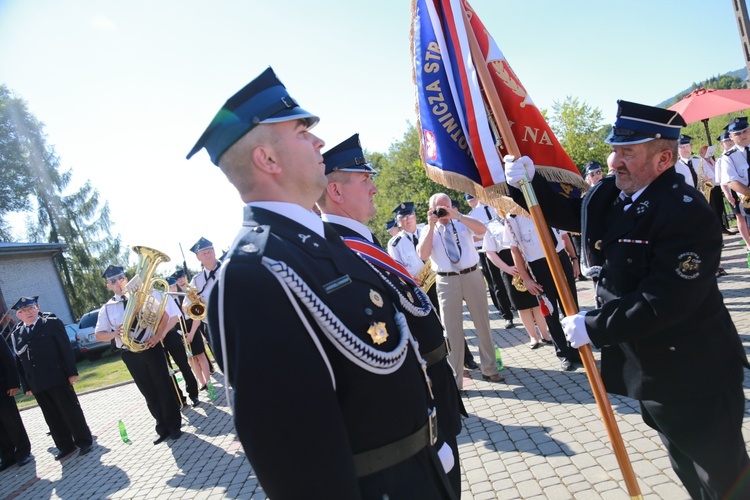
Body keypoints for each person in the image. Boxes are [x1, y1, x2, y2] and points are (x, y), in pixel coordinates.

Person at [187, 67, 454, 498]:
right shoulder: (251, 274)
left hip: (419, 473)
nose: (319, 142)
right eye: (301, 131)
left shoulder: (322, 240)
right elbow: (295, 460)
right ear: (268, 160)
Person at [505, 99, 750, 499]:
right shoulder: (619, 194)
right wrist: (527, 184)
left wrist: (593, 327)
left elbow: (666, 299)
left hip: (695, 374)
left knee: (724, 481)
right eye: (616, 149)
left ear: (664, 158)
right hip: (654, 372)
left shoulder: (685, 212)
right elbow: (573, 213)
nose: (615, 160)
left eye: (628, 152)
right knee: (689, 472)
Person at [317, 134, 465, 496]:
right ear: (336, 191)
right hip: (421, 413)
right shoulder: (344, 254)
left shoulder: (360, 244)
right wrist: (429, 429)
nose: (375, 188)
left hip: (435, 397)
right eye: (365, 180)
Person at [417, 192, 504, 387]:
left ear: (451, 206)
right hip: (446, 281)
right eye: (438, 208)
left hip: (472, 275)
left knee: (483, 324)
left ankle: (490, 369)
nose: (442, 212)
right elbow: (423, 254)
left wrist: (456, 216)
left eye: (445, 207)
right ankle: (456, 380)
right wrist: (432, 225)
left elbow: (482, 231)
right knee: (451, 331)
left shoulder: (462, 221)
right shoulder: (427, 229)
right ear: (431, 210)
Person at [94, 265, 183, 445]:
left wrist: (158, 337)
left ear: (126, 279)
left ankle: (174, 426)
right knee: (148, 391)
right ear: (108, 286)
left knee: (163, 386)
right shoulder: (107, 308)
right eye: (113, 281)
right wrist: (114, 334)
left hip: (150, 347)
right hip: (129, 353)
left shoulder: (141, 297)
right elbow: (99, 334)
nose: (118, 282)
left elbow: (164, 317)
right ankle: (162, 427)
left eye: (121, 278)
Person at [10, 297, 93, 460]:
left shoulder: (51, 323)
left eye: (31, 308)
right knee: (51, 415)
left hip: (57, 376)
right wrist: (26, 385)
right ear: (18, 315)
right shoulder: (17, 334)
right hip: (37, 383)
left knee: (70, 410)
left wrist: (72, 372)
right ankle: (65, 445)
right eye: (23, 311)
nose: (28, 313)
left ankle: (83, 441)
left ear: (38, 307)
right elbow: (19, 361)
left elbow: (65, 349)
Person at [503, 214, 581, 371]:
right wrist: (526, 278)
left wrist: (574, 259)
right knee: (550, 312)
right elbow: (515, 250)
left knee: (571, 308)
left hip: (561, 260)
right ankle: (564, 353)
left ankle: (578, 348)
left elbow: (564, 235)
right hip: (539, 267)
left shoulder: (546, 205)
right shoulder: (512, 218)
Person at [482, 217, 554, 350]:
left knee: (536, 301)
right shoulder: (490, 226)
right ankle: (533, 336)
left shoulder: (516, 219)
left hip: (527, 262)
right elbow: (490, 252)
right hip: (509, 269)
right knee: (522, 306)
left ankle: (545, 334)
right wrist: (507, 268)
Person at [465, 194, 515, 329]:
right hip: (487, 250)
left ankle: (519, 306)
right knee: (496, 283)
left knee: (513, 279)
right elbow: (472, 236)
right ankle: (507, 315)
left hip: (506, 248)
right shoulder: (473, 214)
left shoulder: (497, 206)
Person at [182, 237, 217, 391]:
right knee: (224, 361)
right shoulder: (196, 281)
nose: (208, 254)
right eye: (203, 253)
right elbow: (186, 305)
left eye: (210, 251)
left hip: (235, 322)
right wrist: (196, 308)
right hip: (212, 326)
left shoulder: (229, 268)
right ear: (198, 257)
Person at [164, 274, 201, 407]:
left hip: (171, 334)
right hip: (157, 338)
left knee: (184, 365)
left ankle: (193, 395)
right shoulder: (159, 297)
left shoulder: (163, 297)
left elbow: (177, 315)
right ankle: (179, 399)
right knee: (167, 371)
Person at [0, 327, 32, 470]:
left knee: (11, 421)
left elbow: (7, 358)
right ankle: (7, 456)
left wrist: (13, 383)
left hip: (2, 389)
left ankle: (23, 452)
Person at [716, 129, 750, 254]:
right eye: (737, 134)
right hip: (745, 197)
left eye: (745, 131)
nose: (742, 136)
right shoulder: (727, 157)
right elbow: (729, 181)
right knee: (741, 218)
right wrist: (728, 194)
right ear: (731, 137)